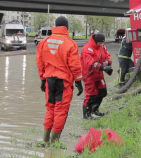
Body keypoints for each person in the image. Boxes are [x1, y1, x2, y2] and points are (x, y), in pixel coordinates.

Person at [36, 16, 83, 144]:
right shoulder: (70, 43)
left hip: (49, 80)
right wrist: (78, 82)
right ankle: (54, 143)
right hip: (63, 82)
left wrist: (42, 80)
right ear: (66, 28)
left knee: (50, 109)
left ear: (55, 26)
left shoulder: (43, 42)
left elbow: (40, 63)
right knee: (60, 111)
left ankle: (45, 140)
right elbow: (75, 65)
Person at [81, 33, 113, 120]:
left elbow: (107, 56)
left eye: (102, 43)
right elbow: (90, 63)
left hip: (99, 74)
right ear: (95, 41)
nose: (101, 45)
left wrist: (107, 62)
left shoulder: (102, 46)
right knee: (91, 95)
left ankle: (95, 110)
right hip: (89, 75)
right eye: (99, 43)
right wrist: (102, 67)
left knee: (103, 92)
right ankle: (87, 115)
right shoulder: (87, 49)